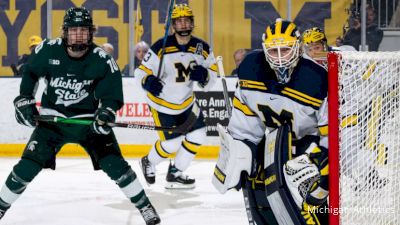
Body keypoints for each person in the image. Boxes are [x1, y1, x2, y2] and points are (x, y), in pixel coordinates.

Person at [0, 7, 160, 225]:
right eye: (73, 31)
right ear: (65, 32)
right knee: (26, 167)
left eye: (83, 31)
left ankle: (145, 207)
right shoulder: (47, 50)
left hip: (89, 122)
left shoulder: (102, 60)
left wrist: (106, 113)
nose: (78, 35)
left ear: (91, 33)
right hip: (52, 121)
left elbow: (112, 95)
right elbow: (30, 73)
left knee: (117, 166)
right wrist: (24, 100)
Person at [213, 18, 329, 224]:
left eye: (284, 50)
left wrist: (322, 159)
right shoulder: (251, 70)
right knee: (263, 202)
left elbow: (333, 133)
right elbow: (245, 126)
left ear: (298, 47)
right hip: (274, 147)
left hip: (308, 149)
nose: (279, 58)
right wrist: (242, 154)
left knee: (312, 211)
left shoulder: (317, 78)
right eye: (273, 51)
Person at [135, 3, 217, 189]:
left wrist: (205, 76)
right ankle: (149, 161)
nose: (183, 25)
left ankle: (175, 173)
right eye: (179, 22)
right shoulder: (160, 47)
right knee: (172, 145)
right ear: (173, 25)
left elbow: (213, 73)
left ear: (192, 23)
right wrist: (147, 81)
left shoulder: (201, 47)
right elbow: (140, 73)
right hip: (162, 105)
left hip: (186, 103)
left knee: (198, 135)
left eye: (186, 21)